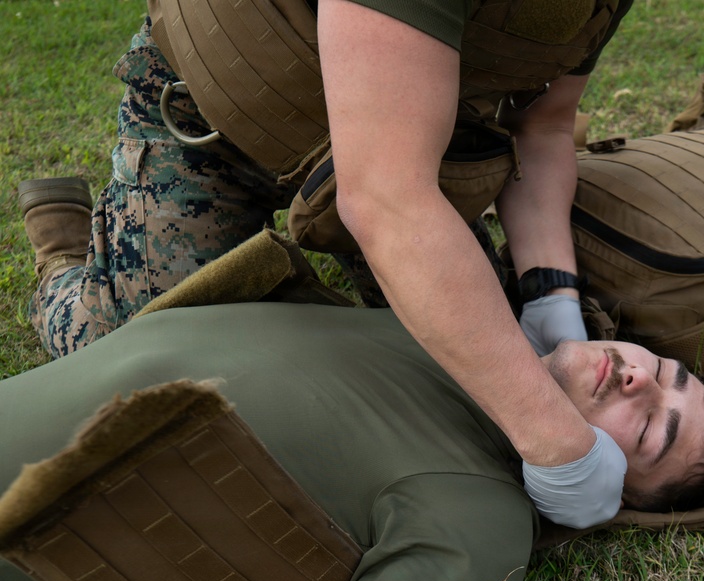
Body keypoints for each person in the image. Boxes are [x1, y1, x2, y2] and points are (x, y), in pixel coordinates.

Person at [20, 0, 640, 530]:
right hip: (220, 123)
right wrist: (557, 444)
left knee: (472, 371)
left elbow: (545, 127)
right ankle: (62, 259)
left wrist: (550, 299)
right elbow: (385, 200)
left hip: (404, 146)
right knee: (127, 370)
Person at [0, 301, 704, 581]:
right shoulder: (455, 309)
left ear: (606, 492)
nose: (639, 377)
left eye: (649, 430)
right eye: (664, 371)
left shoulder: (479, 511)